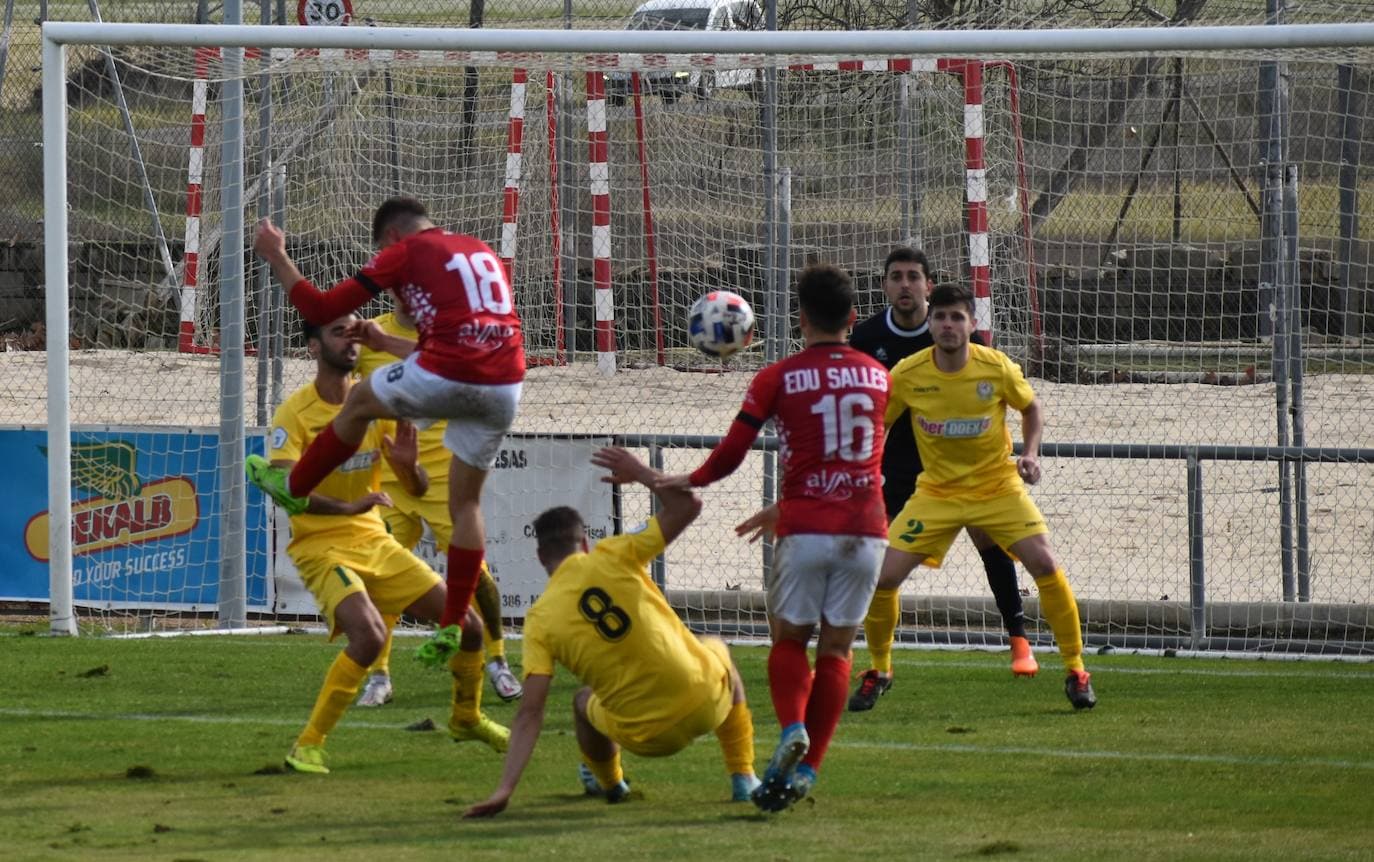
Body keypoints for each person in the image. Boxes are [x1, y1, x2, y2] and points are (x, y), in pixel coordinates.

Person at [245, 196, 525, 668]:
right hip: (506, 384)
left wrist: (276, 254)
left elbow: (320, 304)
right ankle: (455, 622)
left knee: (356, 403)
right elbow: (449, 340)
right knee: (468, 505)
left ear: (391, 238)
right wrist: (383, 341)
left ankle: (291, 484)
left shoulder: (406, 251)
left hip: (450, 376)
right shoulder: (481, 251)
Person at [660, 263, 890, 813]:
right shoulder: (880, 378)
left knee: (789, 641)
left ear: (801, 318)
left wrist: (686, 479)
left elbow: (733, 454)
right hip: (866, 529)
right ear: (853, 319)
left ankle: (792, 728)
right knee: (837, 649)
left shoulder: (777, 378)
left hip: (806, 527)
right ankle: (809, 767)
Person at [463, 446, 760, 818]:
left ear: (541, 559)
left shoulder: (538, 619)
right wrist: (641, 472)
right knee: (716, 648)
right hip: (706, 706)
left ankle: (610, 782)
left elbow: (530, 712)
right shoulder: (615, 553)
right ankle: (743, 776)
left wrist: (505, 788)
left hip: (645, 738)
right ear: (584, 543)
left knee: (582, 702)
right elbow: (689, 507)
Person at [270, 313, 509, 774]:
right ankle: (308, 744)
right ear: (314, 348)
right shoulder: (294, 414)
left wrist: (407, 466)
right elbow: (286, 491)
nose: (351, 340)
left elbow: (416, 488)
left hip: (372, 539)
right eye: (337, 331)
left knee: (469, 626)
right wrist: (349, 508)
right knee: (369, 635)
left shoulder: (376, 403)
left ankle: (466, 717)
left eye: (354, 331)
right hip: (321, 547)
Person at [880, 284, 1097, 711]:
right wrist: (868, 470)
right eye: (940, 317)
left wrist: (1030, 454)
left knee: (1045, 563)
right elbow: (877, 423)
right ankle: (878, 670)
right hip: (937, 493)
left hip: (996, 488)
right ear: (930, 323)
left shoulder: (995, 366)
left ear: (971, 324)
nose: (947, 325)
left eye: (957, 317)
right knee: (883, 578)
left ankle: (1076, 669)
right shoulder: (907, 373)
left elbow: (1031, 407)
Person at [846, 248, 1036, 713]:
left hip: (956, 468)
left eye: (914, 277)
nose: (905, 285)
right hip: (893, 467)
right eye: (896, 277)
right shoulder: (867, 337)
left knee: (989, 541)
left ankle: (1018, 639)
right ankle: (855, 654)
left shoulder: (957, 337)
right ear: (886, 285)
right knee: (871, 558)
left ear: (929, 287)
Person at [351, 304, 523, 707]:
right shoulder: (370, 335)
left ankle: (497, 661)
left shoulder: (450, 337)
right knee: (380, 576)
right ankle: (379, 675)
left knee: (475, 572)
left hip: (446, 473)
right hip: (389, 477)